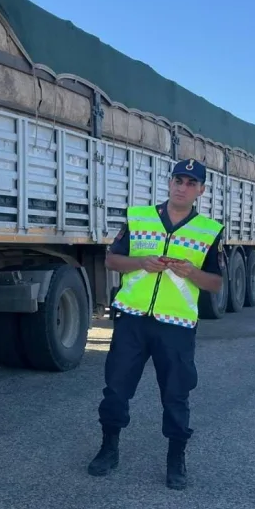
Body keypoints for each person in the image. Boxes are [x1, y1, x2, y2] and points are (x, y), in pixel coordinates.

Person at [87, 158, 226, 490]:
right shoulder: (140, 218)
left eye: (191, 183)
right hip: (132, 320)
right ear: (169, 183)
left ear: (201, 191)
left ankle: (176, 459)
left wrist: (192, 272)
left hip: (176, 326)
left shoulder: (209, 231)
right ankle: (109, 448)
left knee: (176, 395)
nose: (182, 186)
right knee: (116, 390)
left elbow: (216, 284)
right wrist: (141, 263)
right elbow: (111, 260)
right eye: (178, 179)